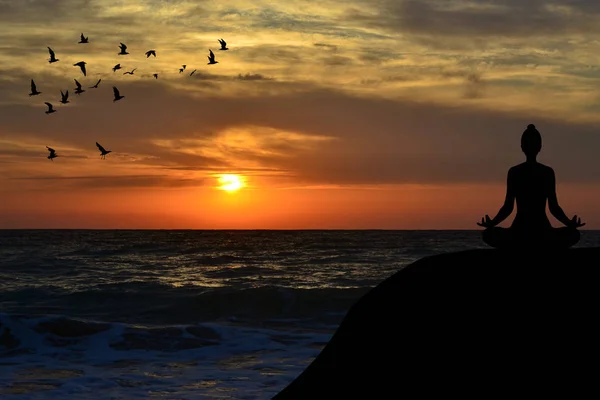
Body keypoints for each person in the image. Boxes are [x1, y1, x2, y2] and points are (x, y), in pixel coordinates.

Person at [477, 124, 584, 249]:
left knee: (489, 234)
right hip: (531, 231)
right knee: (573, 234)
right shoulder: (542, 172)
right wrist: (569, 223)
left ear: (522, 147)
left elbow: (509, 207)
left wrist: (493, 223)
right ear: (539, 147)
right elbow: (553, 207)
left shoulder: (519, 172)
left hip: (534, 230)